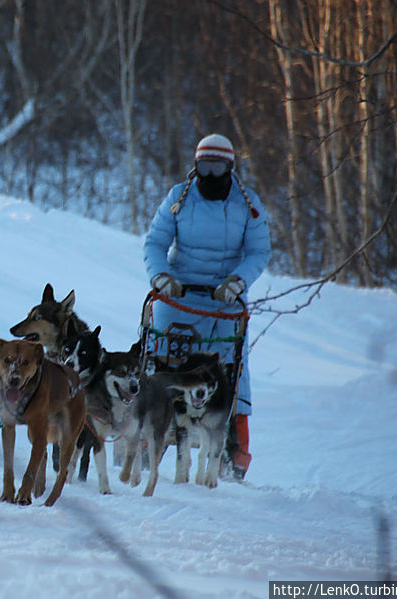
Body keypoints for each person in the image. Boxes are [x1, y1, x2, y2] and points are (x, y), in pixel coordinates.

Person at [143, 133, 271, 480]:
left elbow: (259, 251)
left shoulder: (248, 205)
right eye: (205, 166)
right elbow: (155, 242)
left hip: (225, 296)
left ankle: (233, 448)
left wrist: (237, 281)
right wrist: (161, 277)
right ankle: (148, 434)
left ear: (230, 167)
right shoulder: (178, 199)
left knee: (231, 366)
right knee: (162, 353)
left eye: (218, 167)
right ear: (196, 166)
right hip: (181, 291)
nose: (211, 175)